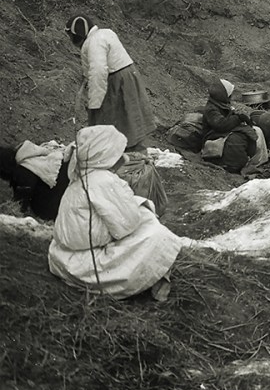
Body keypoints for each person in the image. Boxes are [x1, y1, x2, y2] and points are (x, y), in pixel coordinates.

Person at [48, 125, 182, 300]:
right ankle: (154, 281)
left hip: (61, 257)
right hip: (86, 266)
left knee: (142, 212)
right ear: (105, 155)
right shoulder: (103, 181)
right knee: (159, 235)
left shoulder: (80, 175)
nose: (123, 157)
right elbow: (127, 225)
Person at [67, 16, 156, 150]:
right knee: (126, 116)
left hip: (118, 80)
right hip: (128, 75)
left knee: (114, 116)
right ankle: (126, 147)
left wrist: (94, 104)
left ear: (78, 34)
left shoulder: (95, 42)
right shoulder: (105, 33)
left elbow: (98, 71)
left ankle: (121, 150)